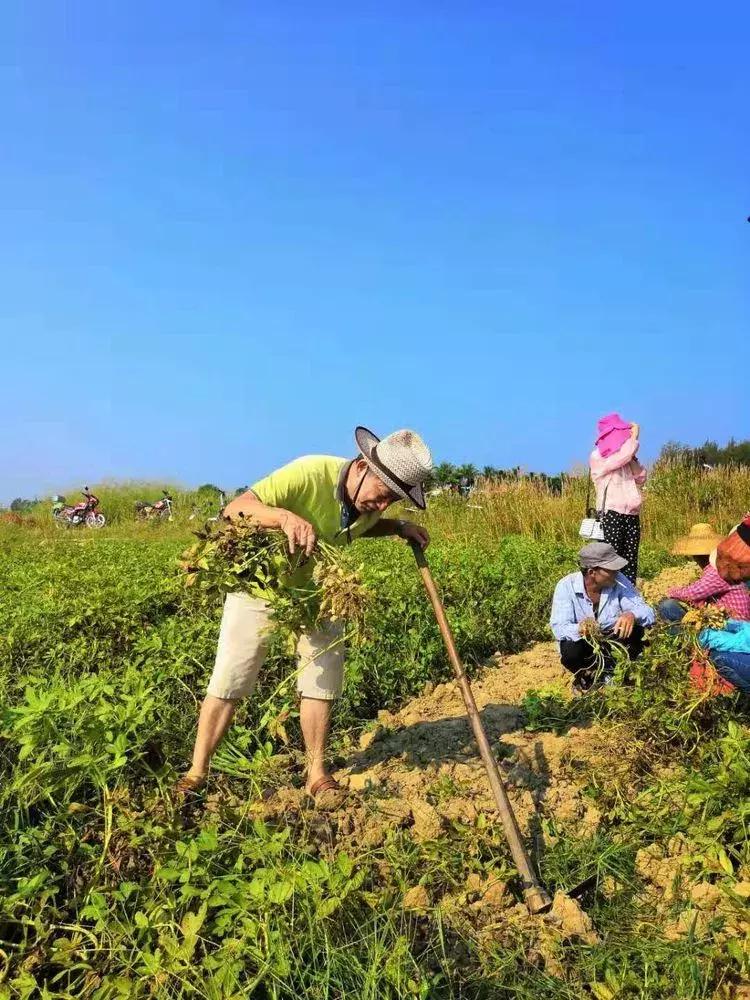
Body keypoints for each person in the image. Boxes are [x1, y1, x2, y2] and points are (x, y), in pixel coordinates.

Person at [176, 426, 434, 801]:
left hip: (320, 591)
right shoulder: (308, 472)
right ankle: (197, 771)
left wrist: (399, 526)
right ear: (362, 467)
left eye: (391, 503)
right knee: (231, 677)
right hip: (262, 586)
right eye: (381, 497)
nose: (380, 508)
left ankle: (316, 773)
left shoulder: (370, 507)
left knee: (322, 679)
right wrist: (283, 517)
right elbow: (234, 511)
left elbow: (362, 528)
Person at [550, 541, 655, 692]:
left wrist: (632, 614)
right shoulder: (566, 586)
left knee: (641, 632)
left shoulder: (619, 580)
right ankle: (587, 676)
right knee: (570, 650)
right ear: (592, 572)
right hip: (585, 645)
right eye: (611, 570)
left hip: (613, 641)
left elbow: (648, 612)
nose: (616, 573)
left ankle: (614, 672)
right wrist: (582, 628)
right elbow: (559, 628)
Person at [589, 414, 646, 583]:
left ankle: (627, 597)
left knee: (629, 561)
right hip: (611, 514)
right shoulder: (598, 456)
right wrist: (634, 439)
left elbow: (641, 477)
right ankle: (608, 598)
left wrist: (633, 458)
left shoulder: (627, 457)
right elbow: (620, 458)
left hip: (631, 514)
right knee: (610, 562)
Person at [657, 523, 750, 625]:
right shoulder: (723, 568)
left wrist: (669, 592)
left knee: (667, 606)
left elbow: (692, 593)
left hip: (735, 624)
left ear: (697, 557)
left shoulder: (718, 571)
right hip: (733, 619)